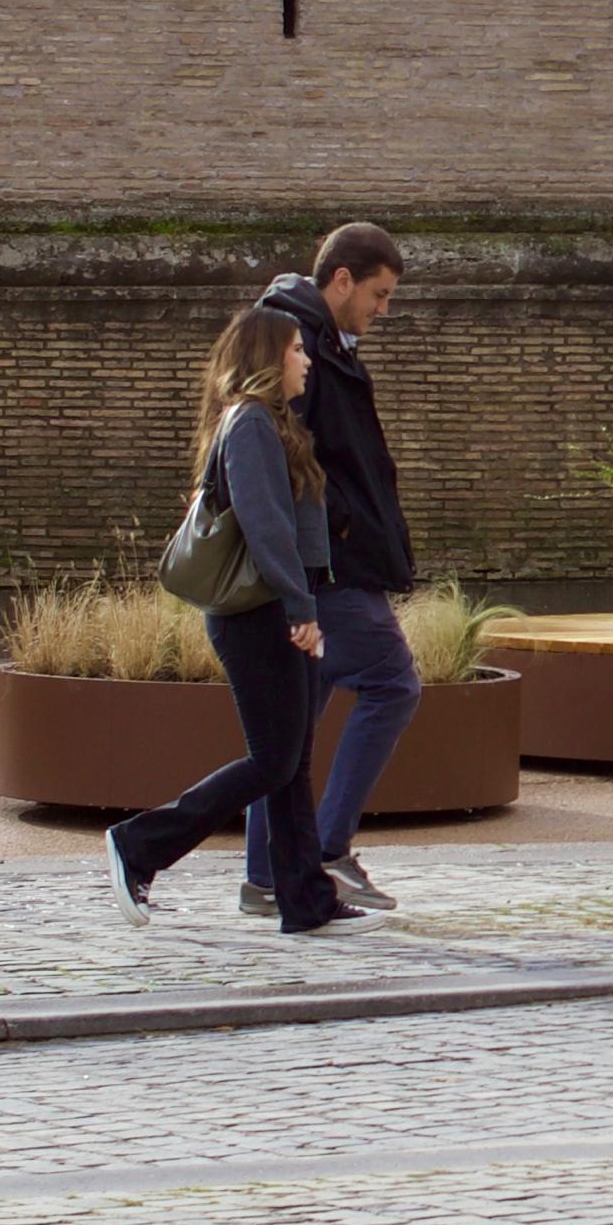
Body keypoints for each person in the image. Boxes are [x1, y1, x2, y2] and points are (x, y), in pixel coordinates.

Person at [106, 305, 354, 935]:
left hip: (277, 608)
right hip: (256, 614)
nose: (305, 360)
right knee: (273, 761)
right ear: (269, 359)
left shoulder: (272, 424)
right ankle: (139, 844)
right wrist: (301, 608)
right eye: (296, 349)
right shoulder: (248, 423)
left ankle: (306, 902)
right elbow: (266, 524)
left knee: (291, 762)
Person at [240, 221, 418, 918]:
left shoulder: (320, 339)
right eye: (378, 293)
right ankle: (325, 850)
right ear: (340, 280)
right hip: (332, 565)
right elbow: (286, 449)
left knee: (294, 723)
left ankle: (265, 875)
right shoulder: (297, 340)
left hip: (330, 558)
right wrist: (340, 524)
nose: (384, 309)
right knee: (391, 683)